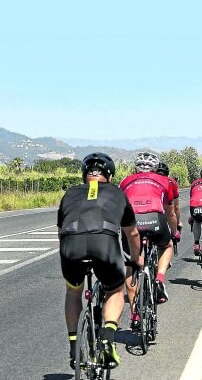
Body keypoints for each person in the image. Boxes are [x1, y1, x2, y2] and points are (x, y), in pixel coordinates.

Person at [58, 153, 143, 370]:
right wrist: (135, 259)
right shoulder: (117, 193)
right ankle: (107, 339)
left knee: (73, 291)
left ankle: (73, 345)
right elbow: (132, 233)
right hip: (104, 244)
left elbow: (61, 231)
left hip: (71, 245)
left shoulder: (69, 193)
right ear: (110, 175)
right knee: (115, 291)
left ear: (84, 175)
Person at [119, 151, 177, 328]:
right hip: (155, 220)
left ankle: (135, 314)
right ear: (155, 167)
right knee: (167, 246)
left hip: (131, 222)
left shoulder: (125, 181)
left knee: (132, 264)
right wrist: (174, 231)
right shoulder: (164, 180)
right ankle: (159, 279)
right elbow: (170, 212)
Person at [156, 162, 183, 234]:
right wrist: (178, 222)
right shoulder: (172, 182)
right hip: (166, 206)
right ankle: (174, 234)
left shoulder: (149, 180)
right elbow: (176, 206)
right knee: (170, 213)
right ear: (167, 173)